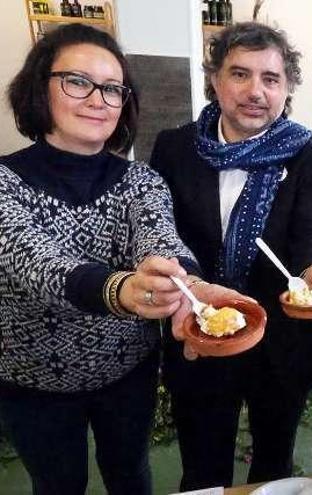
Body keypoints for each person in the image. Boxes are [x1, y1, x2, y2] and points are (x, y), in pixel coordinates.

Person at [0, 24, 239, 495]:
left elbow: (161, 241)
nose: (97, 99)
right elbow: (37, 264)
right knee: (56, 484)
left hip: (125, 372)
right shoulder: (4, 182)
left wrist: (189, 283)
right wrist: (121, 289)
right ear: (38, 87)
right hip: (32, 378)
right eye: (77, 81)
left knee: (131, 475)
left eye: (112, 88)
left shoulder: (141, 181)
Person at [150, 22, 312, 490]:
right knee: (202, 467)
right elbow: (158, 232)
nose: (256, 91)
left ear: (287, 88)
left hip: (280, 339)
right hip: (198, 328)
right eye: (240, 74)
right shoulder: (174, 148)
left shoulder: (308, 156)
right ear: (215, 80)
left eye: (271, 79)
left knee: (273, 464)